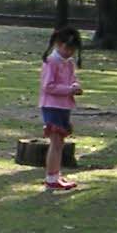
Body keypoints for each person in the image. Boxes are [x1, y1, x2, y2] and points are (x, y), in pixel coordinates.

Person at [38, 25, 82, 193]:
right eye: (67, 48)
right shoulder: (51, 61)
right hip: (52, 105)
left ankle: (56, 175)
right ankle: (51, 179)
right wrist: (69, 90)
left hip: (64, 105)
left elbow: (72, 79)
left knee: (60, 142)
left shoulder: (69, 63)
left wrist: (75, 86)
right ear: (58, 44)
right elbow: (48, 86)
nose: (69, 52)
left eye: (73, 49)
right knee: (56, 142)